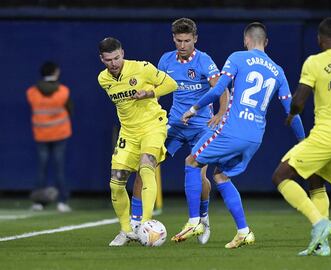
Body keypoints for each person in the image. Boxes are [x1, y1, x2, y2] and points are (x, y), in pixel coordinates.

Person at [181, 22, 305, 248]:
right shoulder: (278, 70)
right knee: (220, 176)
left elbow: (219, 90)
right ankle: (243, 231)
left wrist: (193, 109)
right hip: (255, 137)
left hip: (232, 130)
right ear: (265, 42)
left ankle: (194, 221)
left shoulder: (237, 57)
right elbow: (292, 111)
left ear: (246, 40)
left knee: (191, 162)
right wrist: (304, 143)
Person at [130, 17, 229, 245]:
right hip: (175, 124)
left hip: (201, 126)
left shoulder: (204, 61)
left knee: (199, 174)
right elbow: (156, 88)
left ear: (195, 39)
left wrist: (221, 113)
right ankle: (135, 224)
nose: (182, 45)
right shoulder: (166, 60)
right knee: (145, 164)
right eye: (178, 40)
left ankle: (202, 219)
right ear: (173, 39)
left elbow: (222, 88)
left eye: (187, 40)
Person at [272, 17, 331, 256]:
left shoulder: (315, 61)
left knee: (281, 175)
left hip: (326, 136)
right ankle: (323, 245)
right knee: (315, 182)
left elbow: (299, 100)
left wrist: (291, 114)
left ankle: (319, 223)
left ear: (319, 39)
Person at [97, 37, 177, 246]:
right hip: (129, 133)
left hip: (153, 125)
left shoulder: (142, 68)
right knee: (115, 183)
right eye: (108, 60)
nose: (113, 63)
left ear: (122, 53)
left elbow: (171, 84)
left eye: (116, 57)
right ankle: (126, 231)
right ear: (102, 59)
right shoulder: (103, 79)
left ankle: (145, 223)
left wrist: (150, 93)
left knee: (146, 168)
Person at [26, 61, 73, 213]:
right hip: (60, 134)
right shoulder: (64, 91)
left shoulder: (31, 92)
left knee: (41, 170)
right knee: (59, 169)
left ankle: (39, 203)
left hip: (41, 135)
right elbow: (70, 110)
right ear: (55, 72)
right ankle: (62, 202)